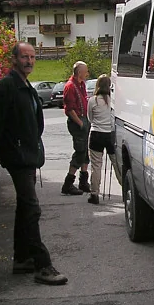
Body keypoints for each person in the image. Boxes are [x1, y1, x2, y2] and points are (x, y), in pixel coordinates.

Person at [0, 42, 67, 285]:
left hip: (29, 156)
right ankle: (42, 265)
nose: (29, 61)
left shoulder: (26, 86)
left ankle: (22, 259)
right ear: (14, 59)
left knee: (24, 208)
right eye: (24, 57)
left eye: (32, 57)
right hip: (17, 157)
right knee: (32, 209)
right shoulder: (7, 86)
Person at [86, 75, 122, 205]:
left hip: (96, 134)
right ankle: (125, 188)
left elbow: (90, 118)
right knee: (116, 163)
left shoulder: (93, 100)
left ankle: (94, 193)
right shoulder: (113, 101)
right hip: (110, 134)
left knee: (96, 166)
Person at [61, 60, 90, 195]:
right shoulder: (70, 86)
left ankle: (83, 182)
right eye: (85, 71)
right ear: (79, 72)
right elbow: (69, 109)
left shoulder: (81, 84)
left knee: (85, 151)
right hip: (77, 121)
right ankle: (68, 184)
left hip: (84, 119)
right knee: (80, 151)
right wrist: (80, 123)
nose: (87, 73)